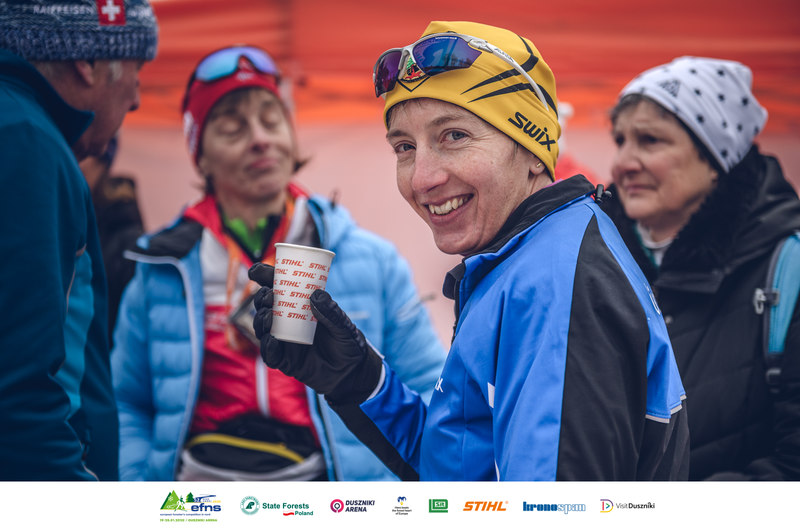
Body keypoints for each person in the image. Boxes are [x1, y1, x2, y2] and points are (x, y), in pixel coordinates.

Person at [248, 21, 690, 481]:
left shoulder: (553, 284)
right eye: (404, 147)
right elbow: (462, 472)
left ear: (532, 148)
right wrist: (358, 380)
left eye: (454, 136)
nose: (422, 179)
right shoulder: (521, 257)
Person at [111, 45, 446, 481]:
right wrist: (138, 488)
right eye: (232, 128)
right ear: (201, 155)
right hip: (196, 492)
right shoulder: (162, 265)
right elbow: (128, 400)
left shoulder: (372, 260)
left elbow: (429, 388)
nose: (259, 139)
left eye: (271, 121)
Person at [602, 56, 800, 480]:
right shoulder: (597, 266)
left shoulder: (789, 272)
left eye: (650, 140)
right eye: (620, 141)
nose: (623, 163)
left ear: (716, 156)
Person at [0, 0, 158, 480]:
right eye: (136, 69)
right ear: (87, 62)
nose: (137, 98)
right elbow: (22, 384)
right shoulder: (27, 141)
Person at [79, 134, 144, 345]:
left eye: (81, 155)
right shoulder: (58, 219)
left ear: (102, 162)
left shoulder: (127, 239)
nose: (73, 164)